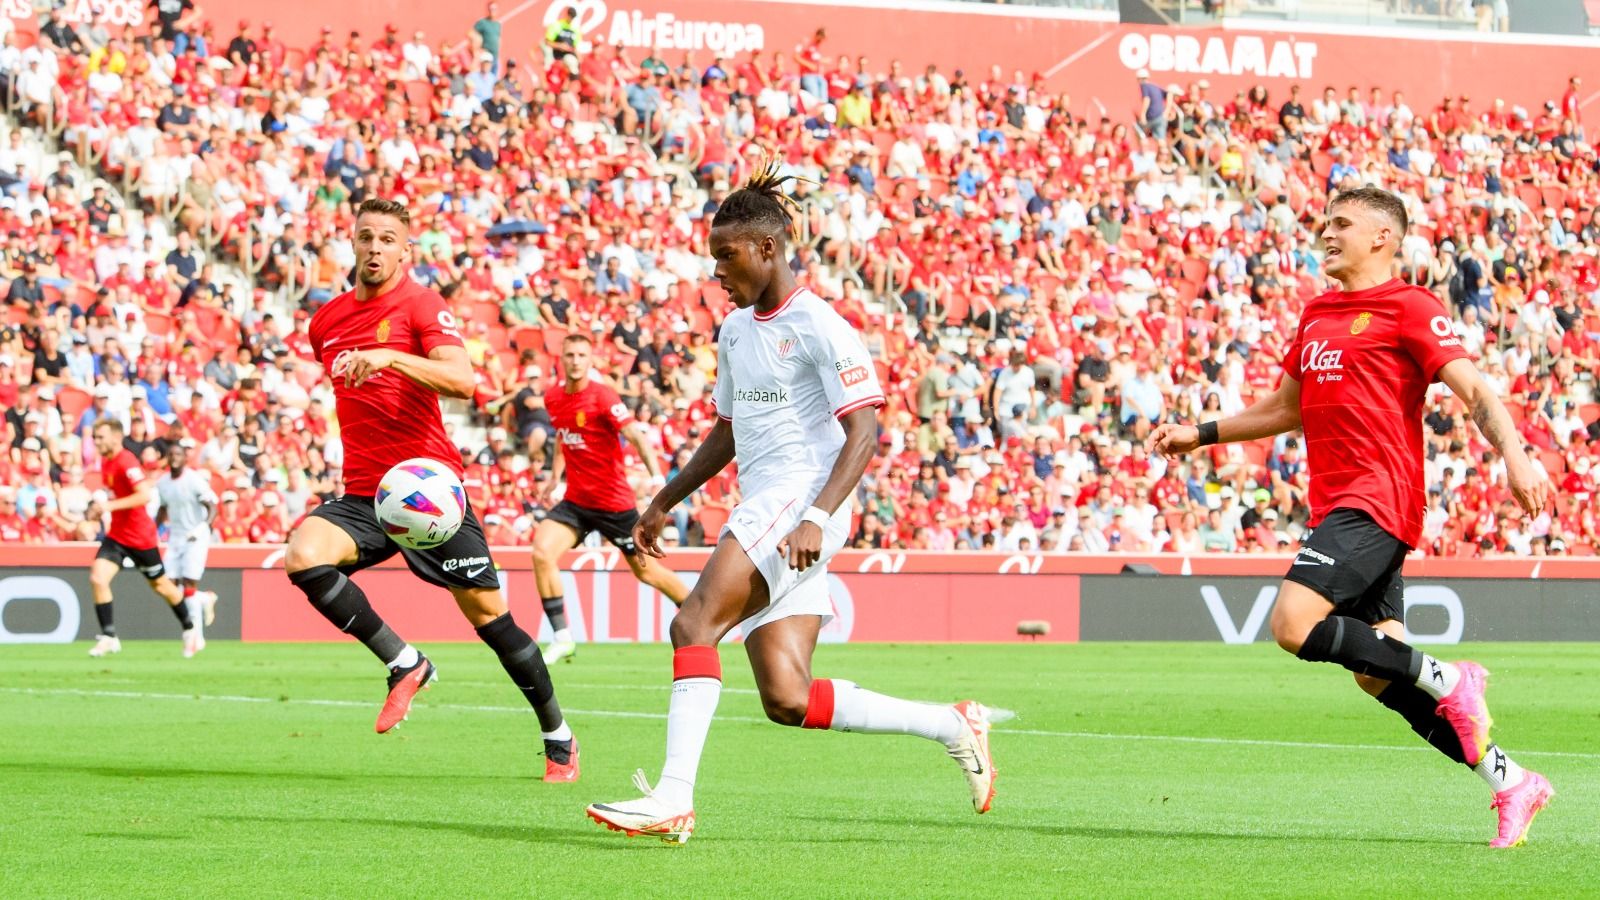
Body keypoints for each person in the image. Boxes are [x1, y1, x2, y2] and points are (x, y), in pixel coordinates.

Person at [586, 160, 1005, 844]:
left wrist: (815, 515)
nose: (718, 270)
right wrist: (664, 499)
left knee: (693, 626)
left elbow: (865, 430)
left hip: (798, 502)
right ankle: (954, 723)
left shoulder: (818, 324)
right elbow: (727, 429)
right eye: (713, 256)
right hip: (777, 508)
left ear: (769, 248)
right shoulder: (734, 331)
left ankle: (672, 797)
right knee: (788, 697)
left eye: (728, 256)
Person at [1150, 185, 1554, 848]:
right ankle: (1511, 781)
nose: (1326, 233)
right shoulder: (1317, 314)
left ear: (1382, 238)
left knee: (1291, 624)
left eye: (1342, 224)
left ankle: (1452, 676)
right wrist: (1200, 433)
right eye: (1325, 223)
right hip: (1340, 501)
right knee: (1377, 675)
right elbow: (1287, 409)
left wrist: (1517, 458)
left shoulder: (1410, 307)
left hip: (1379, 498)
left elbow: (1477, 389)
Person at [283, 198, 578, 781]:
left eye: (387, 239)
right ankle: (404, 662)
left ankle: (558, 734)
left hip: (427, 493)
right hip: (367, 493)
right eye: (365, 236)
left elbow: (465, 381)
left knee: (493, 621)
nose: (374, 248)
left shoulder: (421, 304)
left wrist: (390, 356)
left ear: (405, 250)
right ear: (352, 242)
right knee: (303, 556)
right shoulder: (327, 322)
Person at [532, 333, 690, 664]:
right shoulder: (553, 398)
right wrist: (555, 477)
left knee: (647, 573)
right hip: (575, 502)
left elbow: (636, 436)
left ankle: (697, 613)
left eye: (581, 354)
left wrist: (660, 484)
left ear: (590, 360)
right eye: (570, 354)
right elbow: (563, 437)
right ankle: (563, 637)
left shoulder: (602, 396)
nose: (575, 360)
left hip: (614, 505)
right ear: (561, 358)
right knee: (542, 551)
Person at [87, 419, 202, 658]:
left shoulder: (126, 461)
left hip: (140, 538)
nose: (96, 441)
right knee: (98, 578)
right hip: (117, 536)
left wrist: (108, 505)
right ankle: (109, 637)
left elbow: (144, 495)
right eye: (95, 437)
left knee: (161, 586)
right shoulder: (106, 462)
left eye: (100, 437)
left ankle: (190, 628)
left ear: (116, 438)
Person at [155, 440, 218, 629]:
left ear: (185, 458)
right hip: (176, 537)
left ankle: (195, 636)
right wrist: (152, 531)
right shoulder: (163, 483)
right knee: (167, 586)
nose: (174, 458)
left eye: (178, 454)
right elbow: (163, 508)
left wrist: (203, 528)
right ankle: (205, 598)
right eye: (171, 454)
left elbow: (212, 506)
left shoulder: (194, 480)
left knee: (189, 582)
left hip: (195, 536)